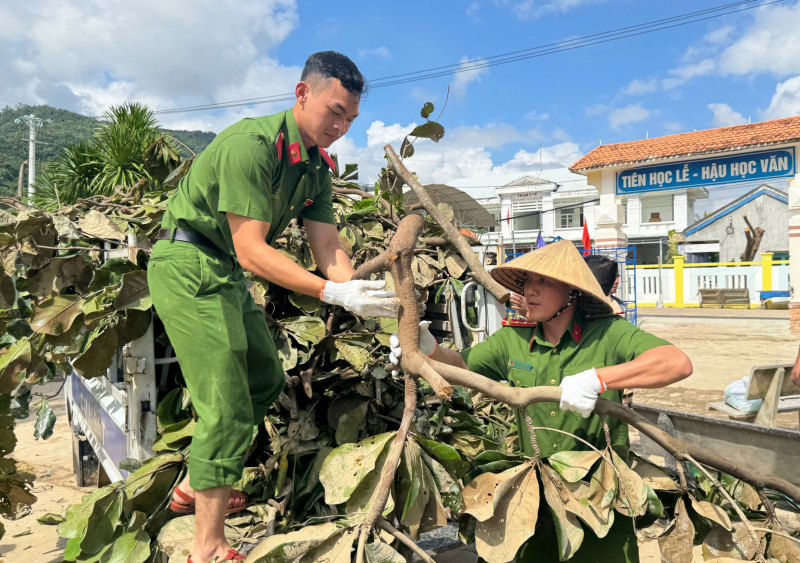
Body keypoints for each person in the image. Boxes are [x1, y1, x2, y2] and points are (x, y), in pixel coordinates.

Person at [148, 52, 399, 563]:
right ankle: (207, 546)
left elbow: (327, 245)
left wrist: (360, 294)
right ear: (302, 93)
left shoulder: (316, 168)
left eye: (351, 119)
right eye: (335, 112)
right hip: (188, 262)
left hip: (222, 269)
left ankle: (198, 485)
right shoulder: (253, 146)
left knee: (263, 379)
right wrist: (330, 294)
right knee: (225, 403)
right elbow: (251, 250)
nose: (340, 127)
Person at [390, 241, 692, 563]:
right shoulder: (513, 338)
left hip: (600, 500)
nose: (530, 290)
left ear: (572, 291)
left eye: (544, 281)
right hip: (535, 499)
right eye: (526, 281)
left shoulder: (609, 333)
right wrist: (428, 350)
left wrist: (598, 379)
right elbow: (462, 367)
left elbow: (676, 363)